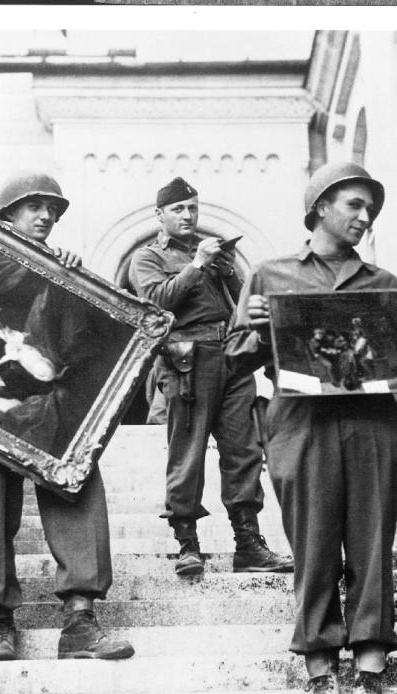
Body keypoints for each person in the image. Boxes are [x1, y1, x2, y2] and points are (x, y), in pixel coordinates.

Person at [225, 162, 397, 694]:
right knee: (313, 551)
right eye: (354, 206)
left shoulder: (383, 283)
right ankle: (321, 688)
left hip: (370, 427)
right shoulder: (270, 274)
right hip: (300, 426)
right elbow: (236, 361)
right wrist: (255, 324)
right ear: (319, 207)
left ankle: (369, 687)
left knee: (370, 548)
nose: (364, 218)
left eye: (370, 210)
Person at [0, 172, 134, 663]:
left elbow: (84, 344)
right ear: (6, 213)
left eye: (53, 209)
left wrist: (71, 283)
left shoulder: (58, 271)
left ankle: (80, 618)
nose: (46, 217)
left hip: (52, 402)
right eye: (34, 206)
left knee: (76, 483)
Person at [129, 177, 292, 577]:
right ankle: (187, 544)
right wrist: (198, 265)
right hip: (187, 360)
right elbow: (155, 303)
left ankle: (249, 545)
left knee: (243, 451)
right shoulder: (147, 258)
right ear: (160, 215)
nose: (188, 215)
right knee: (188, 452)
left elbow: (242, 305)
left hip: (232, 358)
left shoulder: (213, 256)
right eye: (178, 209)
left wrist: (228, 270)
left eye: (192, 208)